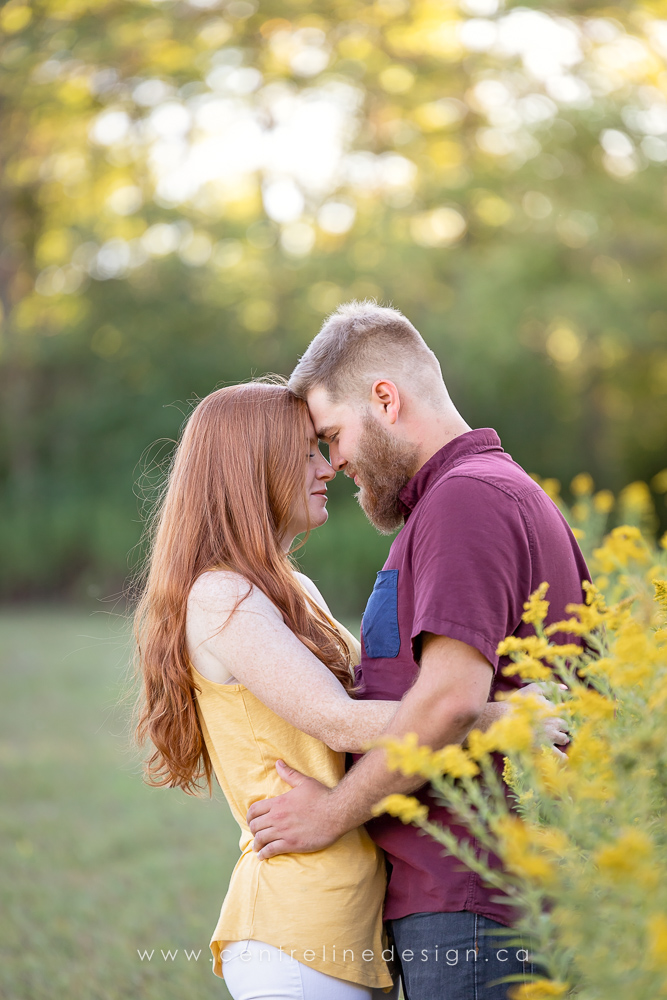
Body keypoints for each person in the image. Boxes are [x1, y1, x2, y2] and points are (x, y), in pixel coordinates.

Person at [132, 380, 568, 1000]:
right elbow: (339, 719)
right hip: (293, 924)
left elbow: (391, 697)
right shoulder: (220, 595)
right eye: (307, 452)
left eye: (324, 447)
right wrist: (494, 715)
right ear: (252, 468)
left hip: (347, 918)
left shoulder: (293, 590)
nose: (327, 467)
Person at [245, 303, 590, 1000]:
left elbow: (448, 700)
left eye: (332, 435)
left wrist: (331, 813)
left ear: (385, 399)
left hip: (470, 901)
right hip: (498, 899)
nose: (332, 461)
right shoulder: (505, 492)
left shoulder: (462, 502)